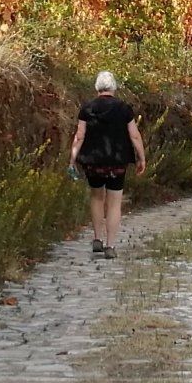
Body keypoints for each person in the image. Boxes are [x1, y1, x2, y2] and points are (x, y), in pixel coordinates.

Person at [70, 71, 144, 260]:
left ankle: (97, 239)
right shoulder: (124, 108)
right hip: (117, 162)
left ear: (97, 88)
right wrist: (141, 157)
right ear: (113, 87)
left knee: (96, 197)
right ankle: (110, 245)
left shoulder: (87, 108)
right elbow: (134, 135)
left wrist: (73, 159)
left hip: (93, 162)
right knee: (114, 203)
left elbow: (80, 136)